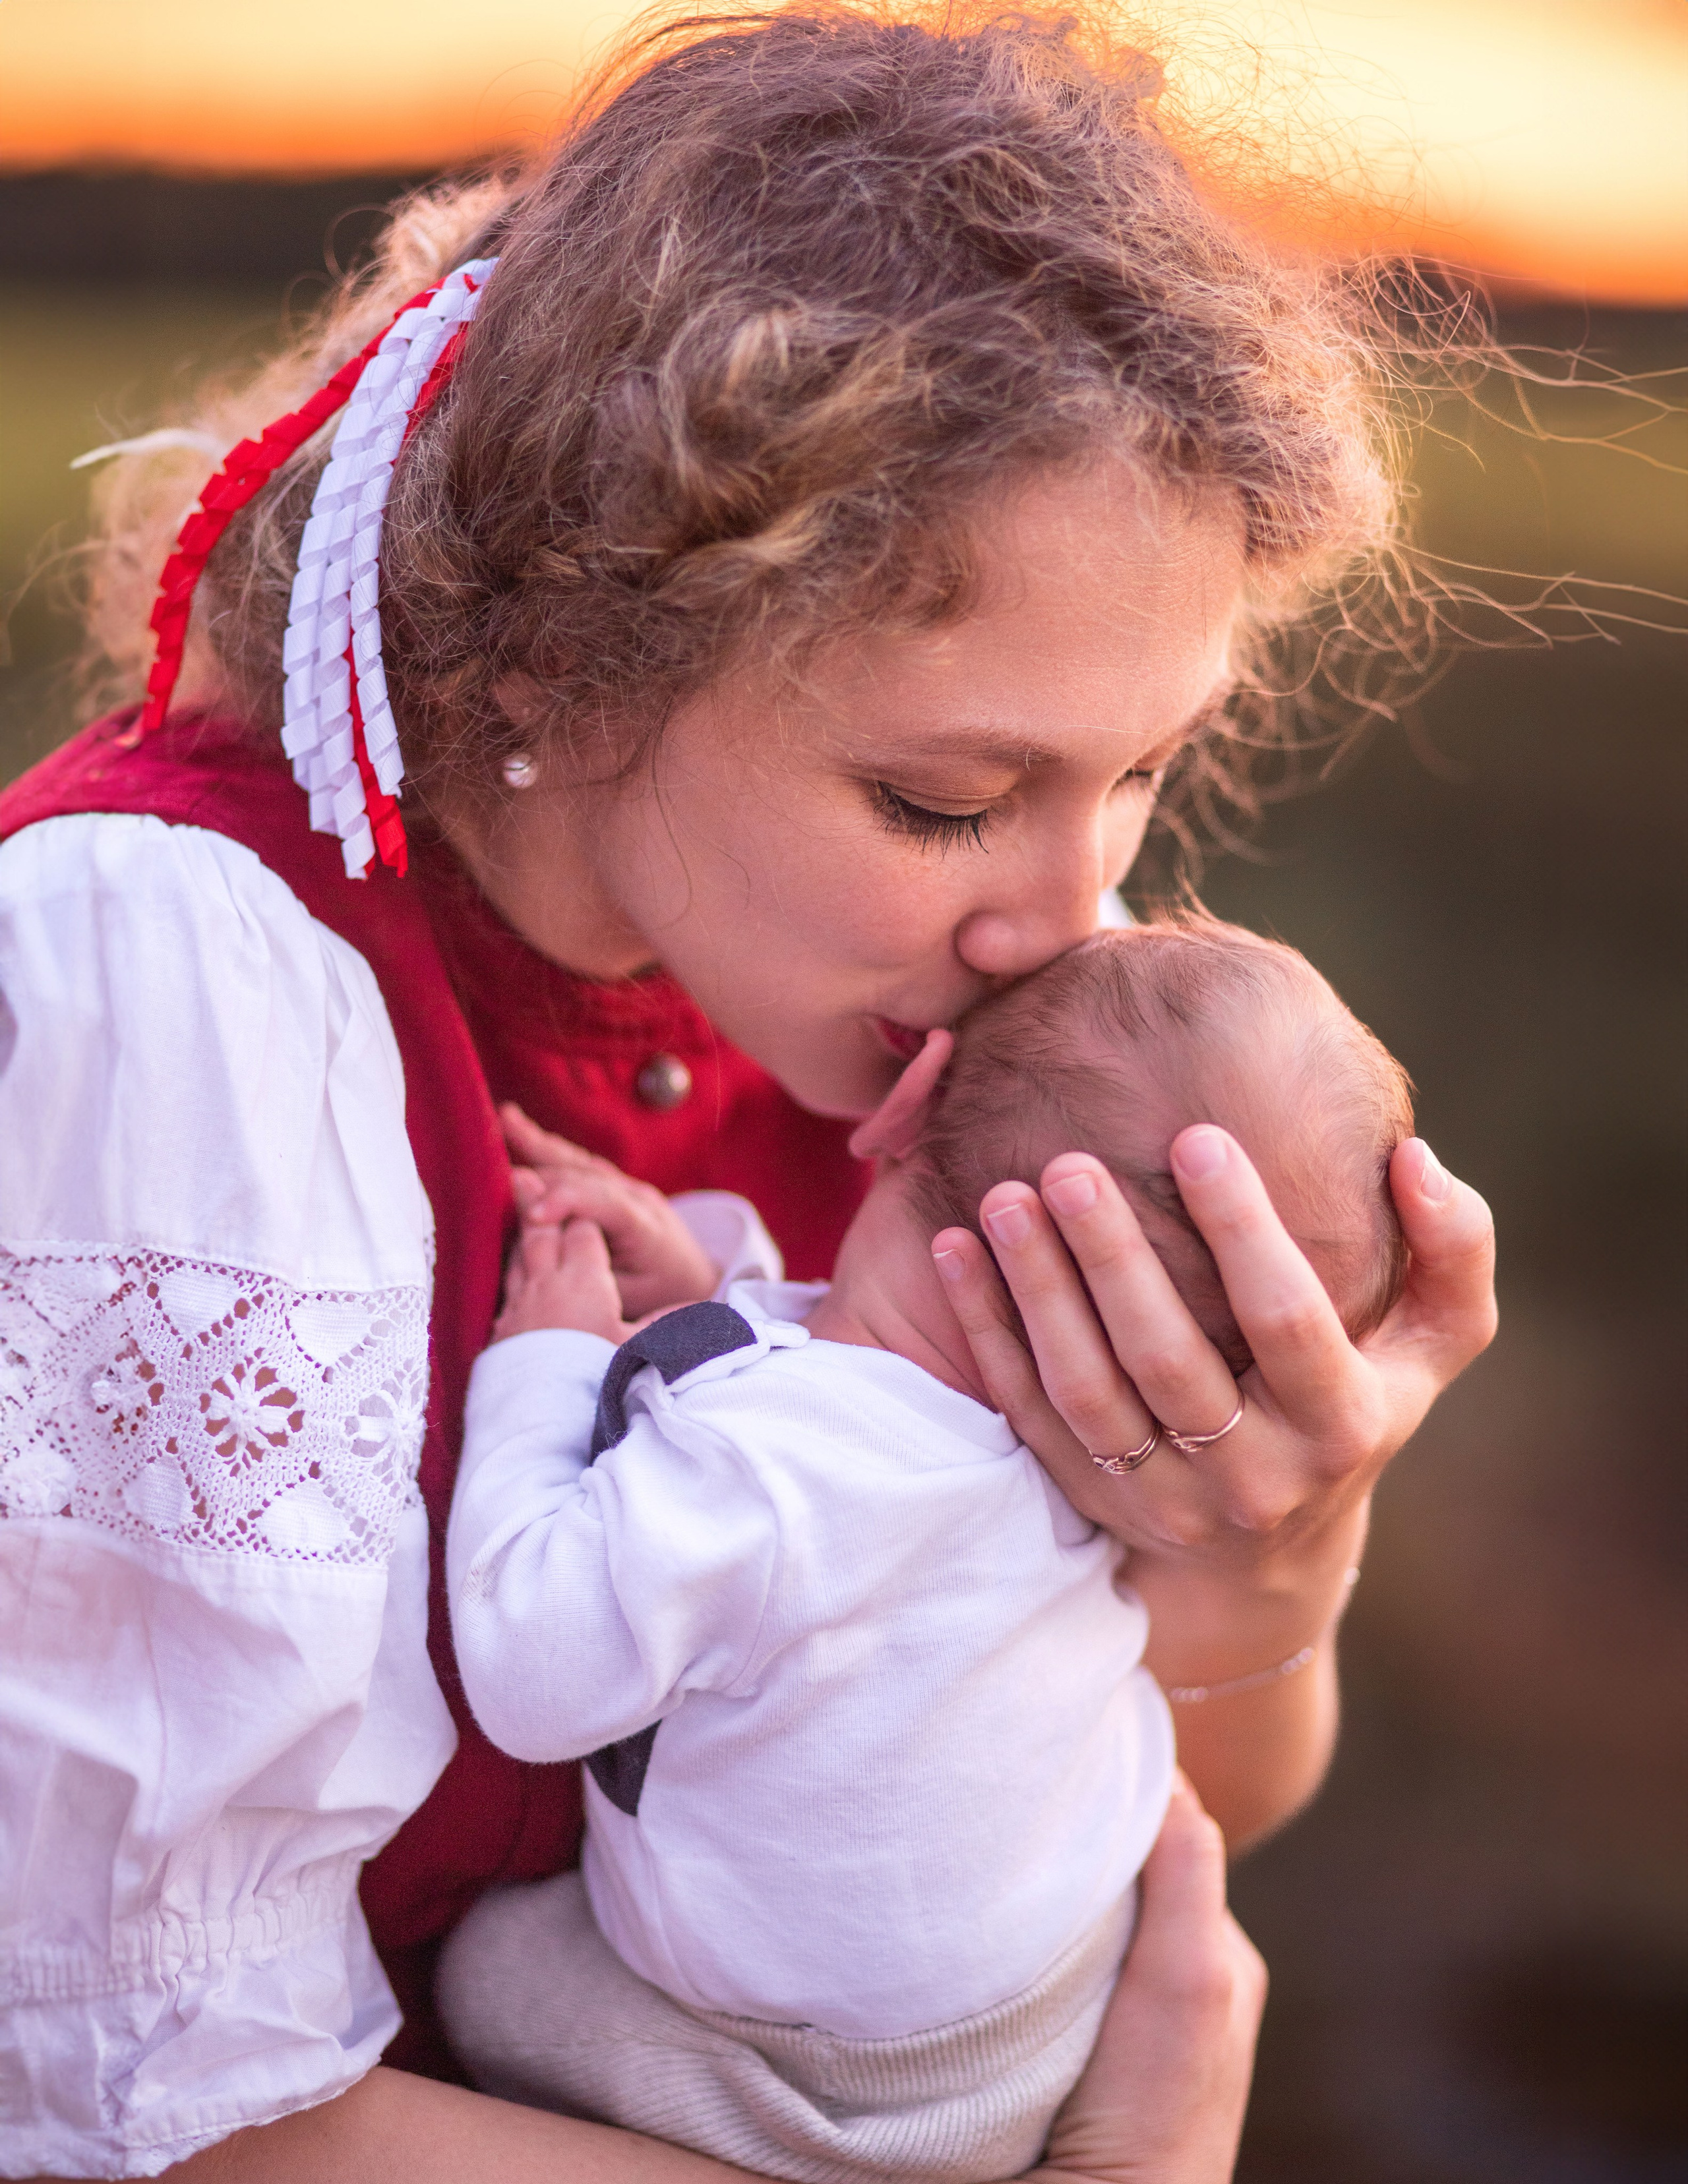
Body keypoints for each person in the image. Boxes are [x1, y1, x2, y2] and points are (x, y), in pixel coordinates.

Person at [0, 8, 1497, 2178]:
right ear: (557, 666)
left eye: (1146, 766)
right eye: (942, 794)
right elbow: (143, 2107)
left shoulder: (910, 1043)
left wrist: (1269, 1561)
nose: (1066, 916)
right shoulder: (187, 989)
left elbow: (1090, 1806)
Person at [431, 919, 1411, 2180]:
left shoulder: (763, 1471)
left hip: (820, 2095)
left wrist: (547, 1362)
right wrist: (697, 1288)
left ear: (904, 1112)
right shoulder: (1103, 1470)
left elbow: (535, 1661)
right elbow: (858, 1467)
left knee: (486, 1970)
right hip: (1069, 1991)